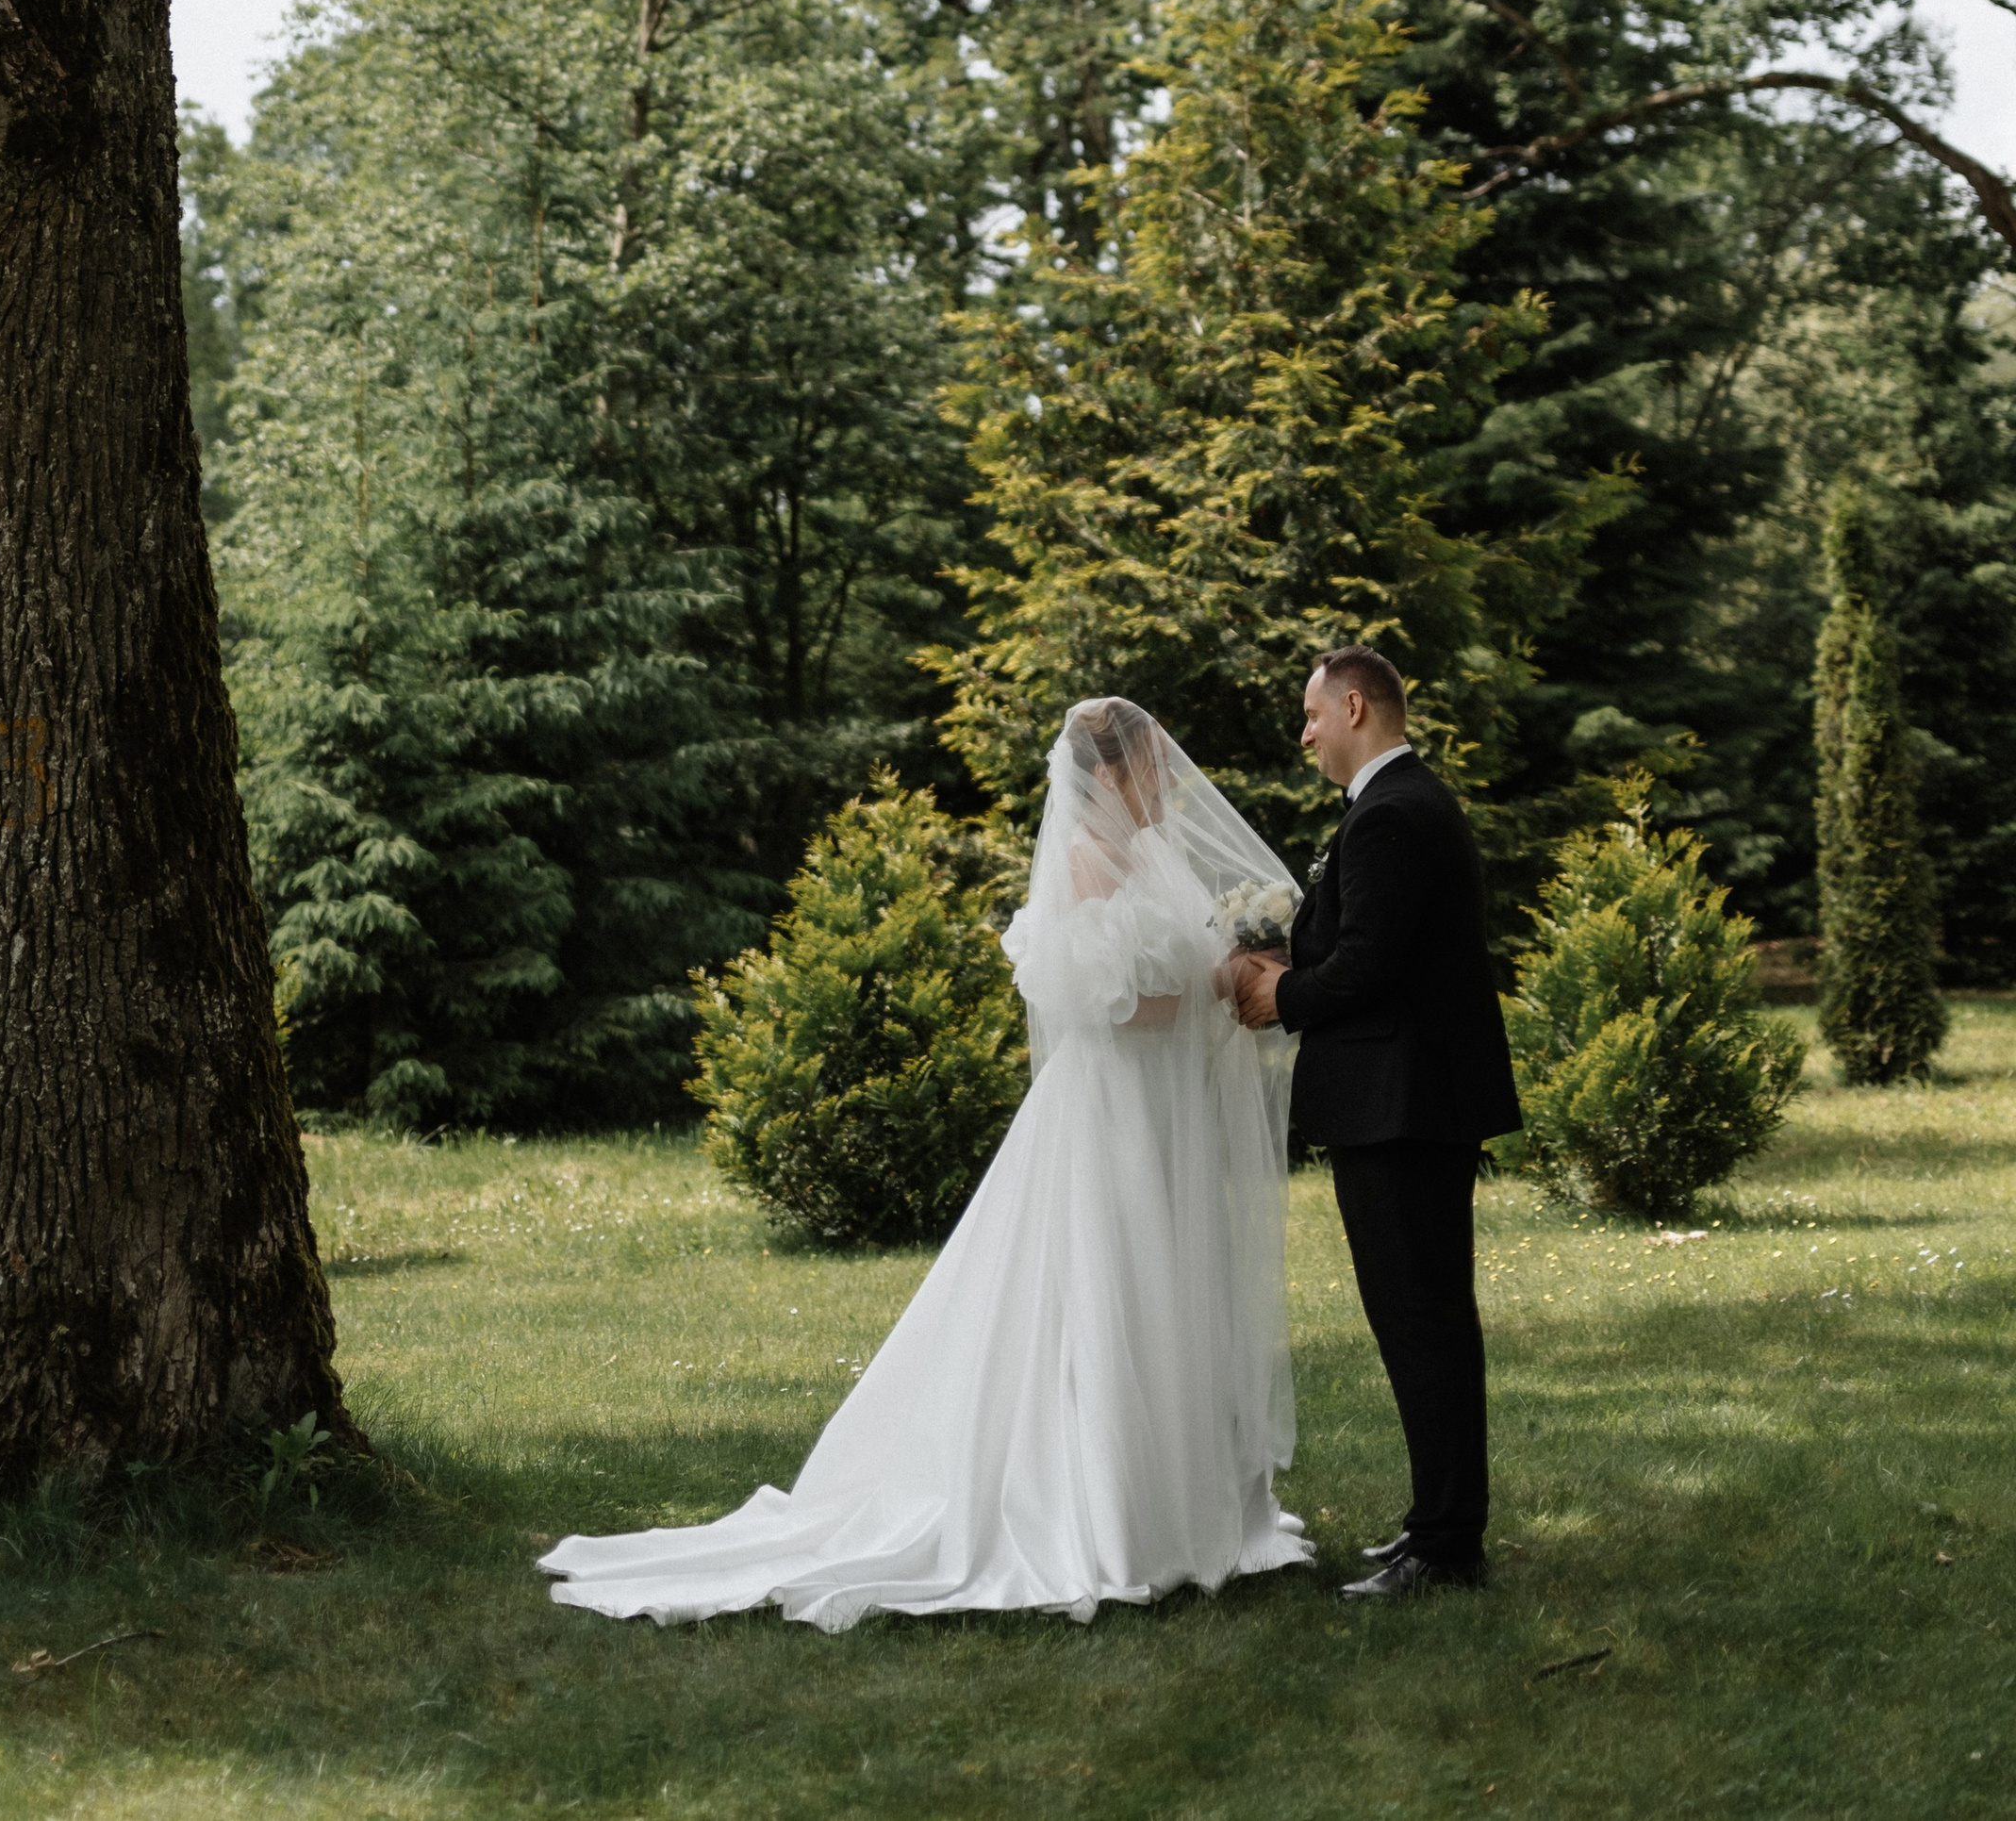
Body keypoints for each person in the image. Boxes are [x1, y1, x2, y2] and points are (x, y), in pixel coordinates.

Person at [538, 699, 1314, 1629]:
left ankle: (1178, 1505)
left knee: (1166, 1286)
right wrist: (1214, 990)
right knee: (1107, 1286)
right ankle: (1107, 1520)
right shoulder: (1085, 863)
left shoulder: (1155, 860)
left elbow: (1178, 975)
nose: (1167, 787)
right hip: (1108, 1116)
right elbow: (1103, 1003)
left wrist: (1231, 968)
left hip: (1156, 1114)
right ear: (1106, 776)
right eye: (1152, 769)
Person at [1227, 647, 1519, 1599]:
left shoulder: (1391, 813)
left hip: (1403, 1106)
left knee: (1421, 1320)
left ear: (1354, 706)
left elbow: (1367, 967)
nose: (1305, 733)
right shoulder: (1395, 806)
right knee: (1419, 1319)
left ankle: (1444, 1544)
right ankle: (1435, 1524)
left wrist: (1283, 996)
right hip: (1404, 1102)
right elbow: (1360, 942)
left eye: (1312, 714)